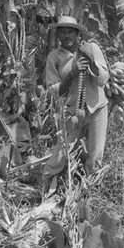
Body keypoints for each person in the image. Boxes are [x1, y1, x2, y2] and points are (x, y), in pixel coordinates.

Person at [43, 15, 110, 182]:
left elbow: (102, 80)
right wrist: (72, 72)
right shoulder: (54, 57)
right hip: (72, 112)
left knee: (95, 155)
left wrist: (91, 60)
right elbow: (55, 90)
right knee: (60, 153)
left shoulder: (91, 48)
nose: (67, 36)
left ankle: (90, 189)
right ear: (58, 35)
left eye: (70, 32)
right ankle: (45, 182)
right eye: (63, 32)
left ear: (77, 34)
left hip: (97, 108)